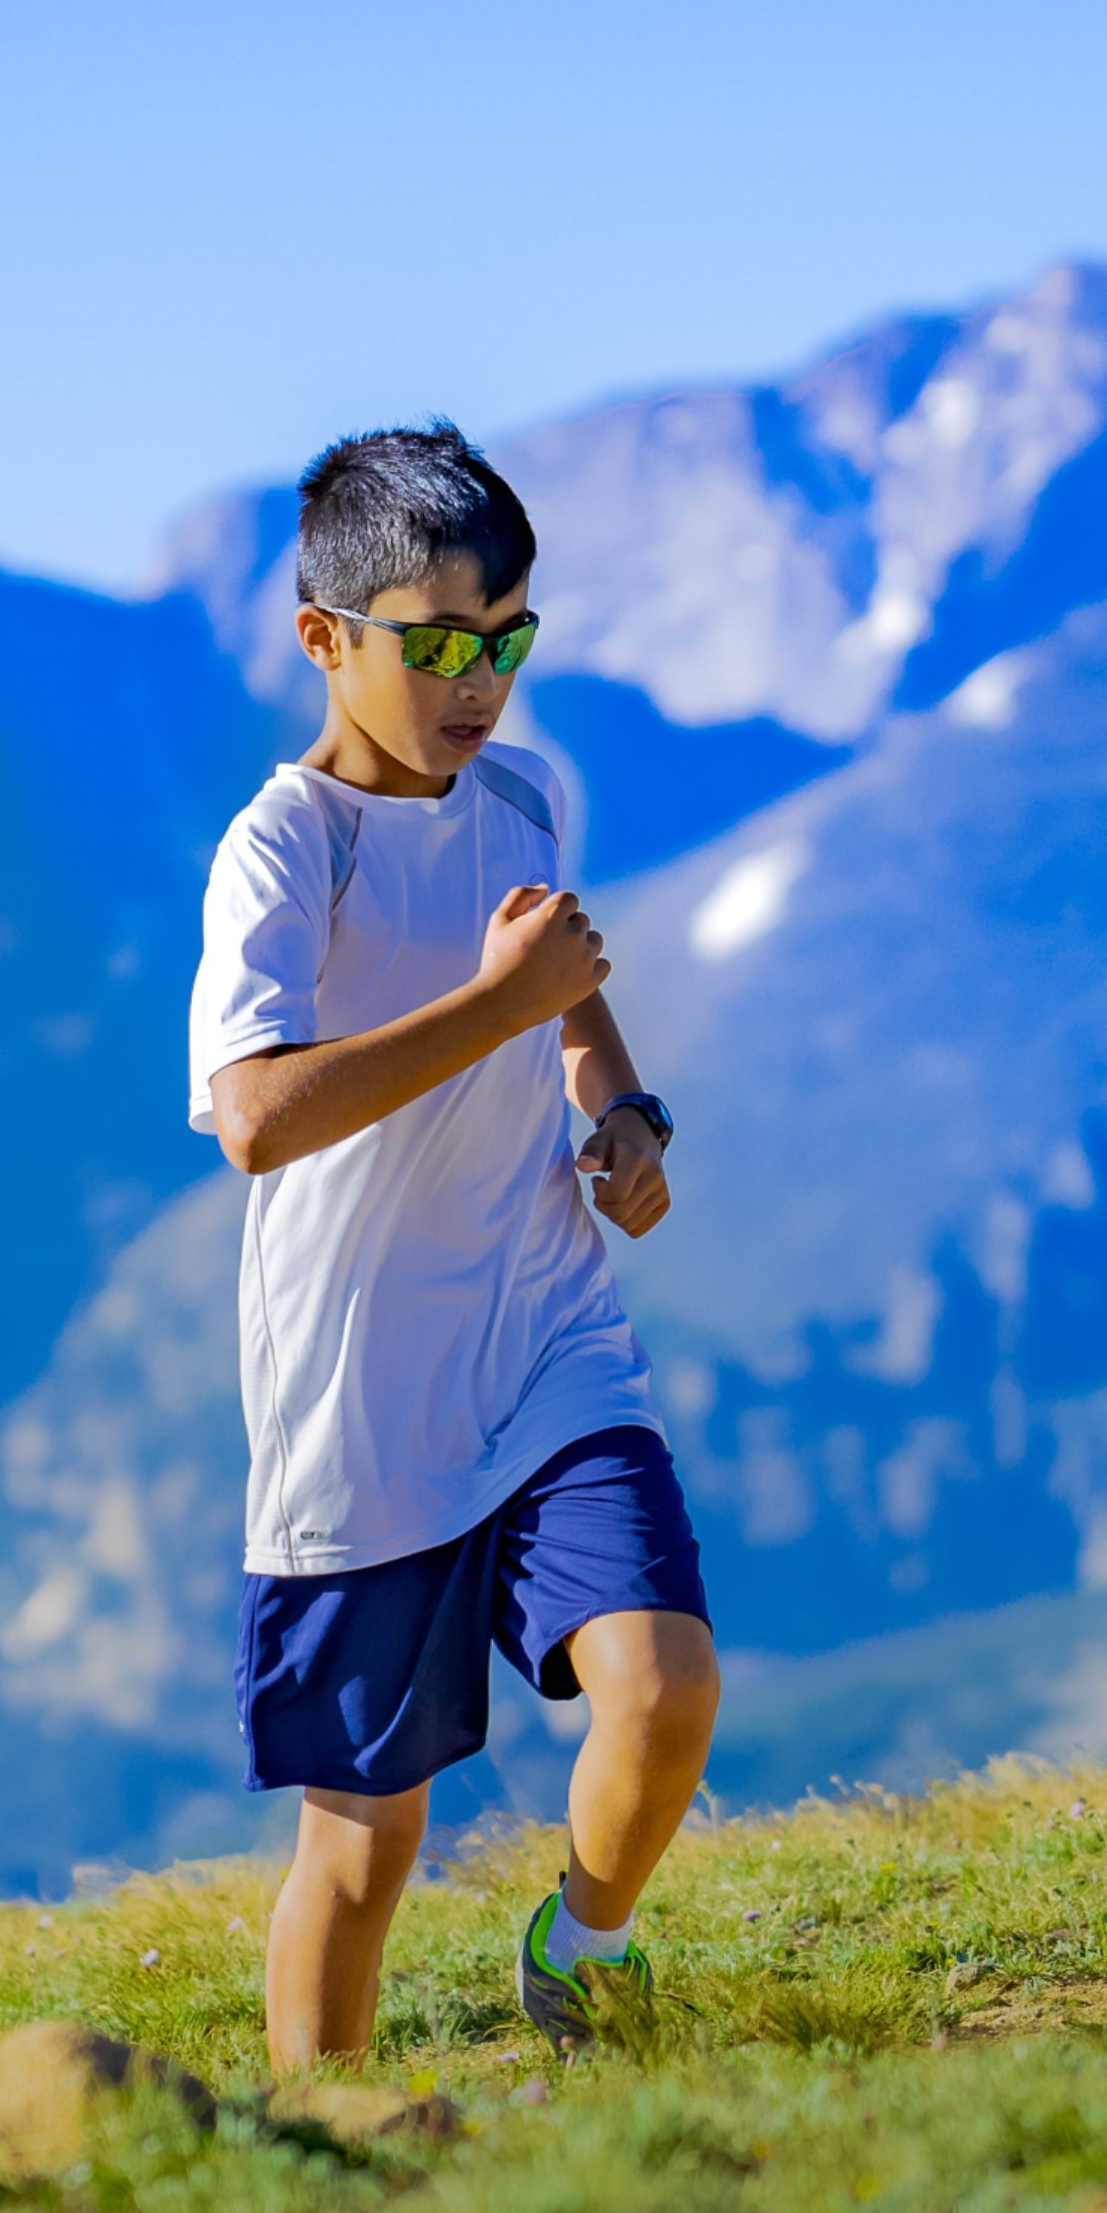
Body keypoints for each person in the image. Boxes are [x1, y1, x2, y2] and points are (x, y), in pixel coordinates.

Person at [189, 424, 718, 2068]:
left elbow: (567, 1003)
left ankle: (588, 1945)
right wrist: (492, 1007)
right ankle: (321, 2145)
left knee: (663, 1685)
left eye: (506, 642)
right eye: (433, 646)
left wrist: (624, 1123)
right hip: (360, 1401)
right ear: (324, 640)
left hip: (549, 1341)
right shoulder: (285, 849)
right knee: (363, 1848)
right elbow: (256, 1115)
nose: (476, 682)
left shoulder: (528, 798)